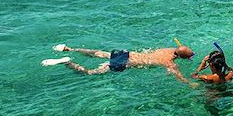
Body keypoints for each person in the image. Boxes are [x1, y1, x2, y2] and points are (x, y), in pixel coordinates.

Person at [41, 41, 195, 82]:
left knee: (97, 53)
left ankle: (69, 49)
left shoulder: (167, 50)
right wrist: (190, 83)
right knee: (90, 73)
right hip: (125, 64)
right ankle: (67, 62)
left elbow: (180, 50)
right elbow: (177, 75)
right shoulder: (169, 62)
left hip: (126, 54)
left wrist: (184, 53)